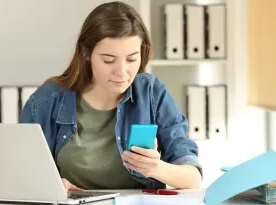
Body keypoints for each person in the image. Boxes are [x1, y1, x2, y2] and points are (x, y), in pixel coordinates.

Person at [19, 1, 202, 191]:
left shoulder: (151, 93)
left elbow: (192, 178)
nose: (122, 72)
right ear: (86, 53)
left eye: (131, 59)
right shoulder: (47, 100)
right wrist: (50, 186)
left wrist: (156, 168)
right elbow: (20, 176)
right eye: (108, 60)